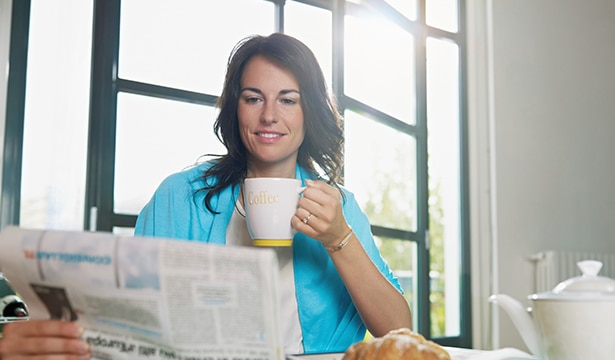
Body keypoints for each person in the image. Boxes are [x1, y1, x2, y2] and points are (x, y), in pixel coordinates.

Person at [0, 32, 411, 359]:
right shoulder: (179, 197)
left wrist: (338, 239)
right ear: (236, 108)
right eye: (254, 98)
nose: (269, 115)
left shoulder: (338, 206)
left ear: (311, 112)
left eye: (288, 100)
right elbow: (127, 323)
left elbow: (399, 331)